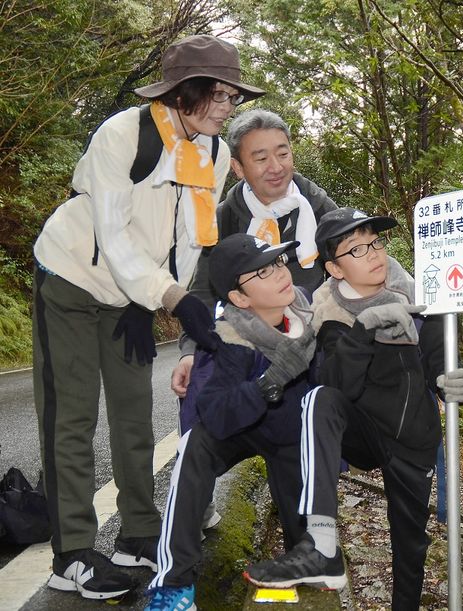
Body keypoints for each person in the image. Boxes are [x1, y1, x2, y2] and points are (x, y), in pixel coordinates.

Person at [32, 35, 263, 599]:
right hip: (71, 279)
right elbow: (112, 236)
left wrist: (165, 297)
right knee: (73, 417)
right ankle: (74, 555)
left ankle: (137, 533)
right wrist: (166, 296)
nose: (229, 105)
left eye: (233, 94)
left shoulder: (208, 152)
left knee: (135, 416)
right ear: (187, 92)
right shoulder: (121, 135)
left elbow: (190, 239)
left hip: (131, 295)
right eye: (221, 93)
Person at [243, 207, 463, 611]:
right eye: (357, 248)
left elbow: (438, 362)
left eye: (375, 242)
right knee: (319, 399)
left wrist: (448, 381)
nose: (374, 253)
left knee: (410, 541)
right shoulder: (329, 312)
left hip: (410, 435)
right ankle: (321, 542)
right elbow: (338, 385)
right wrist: (365, 327)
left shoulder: (422, 299)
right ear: (335, 268)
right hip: (361, 432)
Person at [145, 233, 324, 609]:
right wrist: (268, 383)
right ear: (240, 298)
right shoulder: (229, 339)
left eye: (277, 263)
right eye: (261, 272)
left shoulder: (313, 315)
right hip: (241, 425)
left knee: (309, 544)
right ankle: (174, 584)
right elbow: (216, 413)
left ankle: (301, 563)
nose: (279, 273)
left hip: (290, 437)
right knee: (195, 446)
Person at [171, 108, 336, 400]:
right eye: (260, 159)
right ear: (238, 167)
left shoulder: (319, 208)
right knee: (203, 390)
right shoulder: (223, 220)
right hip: (246, 344)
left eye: (283, 154)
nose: (275, 167)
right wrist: (189, 351)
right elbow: (202, 294)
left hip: (312, 340)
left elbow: (359, 263)